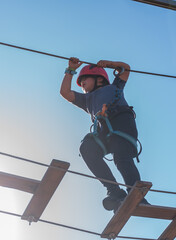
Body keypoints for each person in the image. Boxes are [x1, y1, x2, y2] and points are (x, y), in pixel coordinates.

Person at [60, 57, 148, 212]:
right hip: (104, 130)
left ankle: (136, 195)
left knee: (121, 158)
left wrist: (110, 64)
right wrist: (70, 70)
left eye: (84, 80)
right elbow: (65, 92)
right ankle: (115, 191)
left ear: (98, 79)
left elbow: (125, 69)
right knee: (87, 148)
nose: (82, 86)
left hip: (121, 123)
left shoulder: (115, 87)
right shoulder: (86, 100)